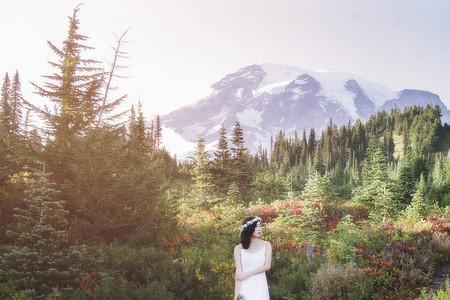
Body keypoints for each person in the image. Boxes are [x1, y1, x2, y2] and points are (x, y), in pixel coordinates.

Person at [234, 216, 272, 300]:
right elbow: (238, 274)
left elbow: (267, 266)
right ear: (249, 229)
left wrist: (247, 274)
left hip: (260, 287)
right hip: (244, 288)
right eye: (256, 226)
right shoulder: (238, 248)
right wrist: (235, 296)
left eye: (260, 226)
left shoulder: (266, 245)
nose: (259, 229)